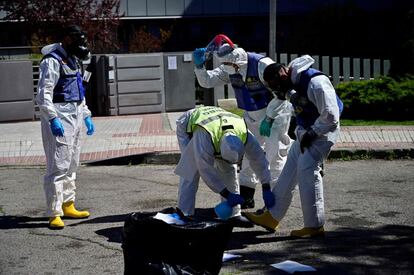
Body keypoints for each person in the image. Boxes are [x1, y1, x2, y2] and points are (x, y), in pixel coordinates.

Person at [244, 55, 343, 237]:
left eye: (276, 87)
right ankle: (271, 216)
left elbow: (331, 115)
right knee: (288, 172)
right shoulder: (292, 83)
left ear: (283, 75)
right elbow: (298, 107)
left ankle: (314, 225)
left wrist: (313, 133)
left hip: (323, 133)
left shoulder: (316, 82)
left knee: (307, 171)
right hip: (307, 133)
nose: (278, 92)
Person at [193, 34, 292, 209]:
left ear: (237, 61)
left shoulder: (261, 64)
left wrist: (269, 118)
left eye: (229, 65)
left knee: (275, 154)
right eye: (224, 65)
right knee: (249, 153)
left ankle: (276, 199)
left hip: (275, 114)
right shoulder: (229, 67)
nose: (226, 69)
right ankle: (247, 194)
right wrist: (199, 66)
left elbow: (282, 93)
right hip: (251, 114)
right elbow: (207, 81)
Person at [174, 106, 275, 228]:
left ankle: (234, 215)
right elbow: (205, 169)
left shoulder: (243, 133)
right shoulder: (205, 135)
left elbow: (258, 158)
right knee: (191, 169)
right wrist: (227, 194)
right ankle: (184, 215)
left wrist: (266, 186)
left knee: (229, 170)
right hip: (189, 126)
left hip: (217, 125)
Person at [36, 25, 95, 229]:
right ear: (68, 40)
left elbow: (79, 89)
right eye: (78, 41)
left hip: (76, 113)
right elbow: (44, 93)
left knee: (72, 163)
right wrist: (52, 118)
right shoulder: (51, 61)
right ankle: (54, 212)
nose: (82, 46)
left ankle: (68, 204)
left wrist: (85, 114)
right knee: (58, 164)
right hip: (61, 114)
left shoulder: (73, 59)